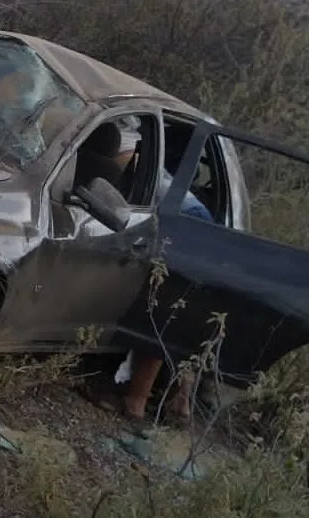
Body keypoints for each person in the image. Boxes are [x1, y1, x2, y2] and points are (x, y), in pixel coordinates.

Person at [90, 117, 214, 427]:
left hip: (188, 224)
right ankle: (181, 403)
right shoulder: (142, 160)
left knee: (163, 315)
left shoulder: (121, 160)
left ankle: (135, 402)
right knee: (183, 320)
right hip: (205, 227)